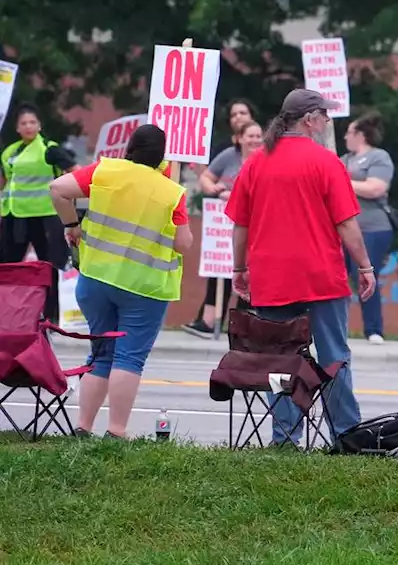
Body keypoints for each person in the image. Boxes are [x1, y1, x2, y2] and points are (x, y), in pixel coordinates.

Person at [226, 89, 375, 445]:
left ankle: (286, 437)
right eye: (325, 115)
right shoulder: (327, 162)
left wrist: (239, 268)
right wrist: (365, 266)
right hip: (321, 275)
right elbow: (346, 224)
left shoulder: (256, 163)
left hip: (272, 278)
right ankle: (345, 435)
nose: (327, 122)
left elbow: (240, 225)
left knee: (278, 358)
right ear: (309, 119)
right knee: (334, 356)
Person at [47, 124, 193, 437]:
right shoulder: (171, 192)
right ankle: (116, 431)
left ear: (129, 147)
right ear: (162, 157)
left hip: (96, 278)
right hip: (144, 287)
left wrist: (72, 225)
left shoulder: (104, 171)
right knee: (129, 357)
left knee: (101, 353)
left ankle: (83, 427)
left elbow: (57, 189)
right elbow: (183, 244)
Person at [183, 120, 264, 337]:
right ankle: (209, 322)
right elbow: (206, 179)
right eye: (251, 136)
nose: (255, 140)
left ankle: (244, 325)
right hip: (223, 225)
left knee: (251, 273)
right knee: (219, 269)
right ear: (239, 139)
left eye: (259, 136)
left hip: (256, 227)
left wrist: (236, 197)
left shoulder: (268, 160)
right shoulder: (229, 156)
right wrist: (215, 190)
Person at [1, 104, 78, 321]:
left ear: (39, 125)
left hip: (45, 216)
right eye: (24, 123)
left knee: (49, 265)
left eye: (32, 122)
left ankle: (50, 315)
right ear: (17, 127)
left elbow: (75, 171)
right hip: (15, 216)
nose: (28, 126)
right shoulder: (9, 152)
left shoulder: (49, 148)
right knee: (8, 265)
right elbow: (5, 182)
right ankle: (8, 311)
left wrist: (66, 194)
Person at [342, 114, 395, 345]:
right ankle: (337, 327)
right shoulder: (342, 160)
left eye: (349, 132)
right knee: (337, 280)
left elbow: (375, 188)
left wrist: (340, 182)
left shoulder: (378, 157)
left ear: (360, 135)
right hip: (343, 227)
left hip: (372, 227)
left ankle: (374, 329)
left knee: (365, 276)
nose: (345, 137)